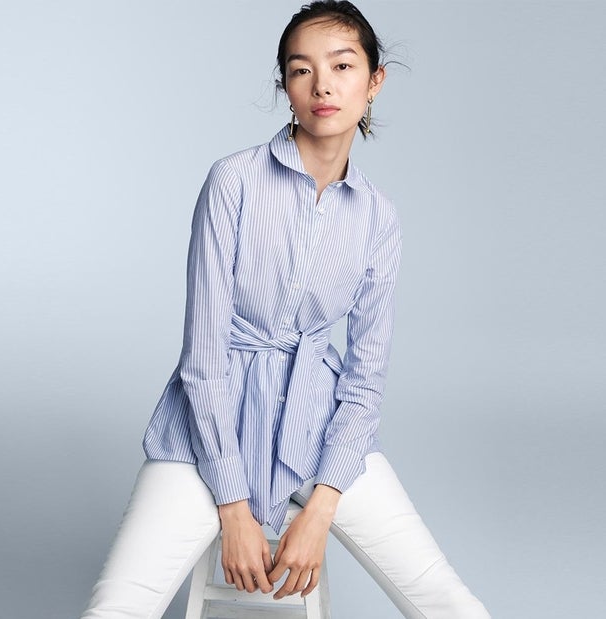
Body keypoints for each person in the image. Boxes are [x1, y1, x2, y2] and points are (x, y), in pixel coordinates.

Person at [80, 2, 490, 618]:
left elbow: (364, 380)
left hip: (318, 429)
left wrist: (322, 507)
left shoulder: (378, 217)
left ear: (374, 81)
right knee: (115, 607)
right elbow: (202, 360)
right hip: (206, 435)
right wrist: (233, 507)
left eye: (342, 66)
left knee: (449, 602)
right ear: (287, 87)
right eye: (302, 70)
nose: (323, 85)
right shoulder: (233, 182)